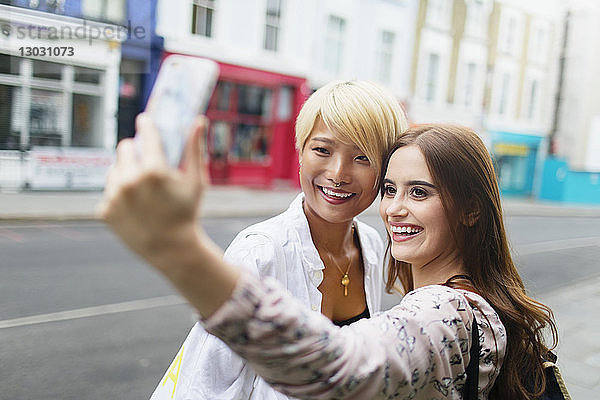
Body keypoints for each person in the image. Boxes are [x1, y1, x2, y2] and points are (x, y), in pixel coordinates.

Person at [99, 118, 558, 399]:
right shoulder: (476, 298)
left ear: (471, 208)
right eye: (391, 189)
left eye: (420, 192)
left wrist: (182, 251)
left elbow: (340, 371)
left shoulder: (446, 311)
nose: (395, 208)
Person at [147, 80, 409, 399]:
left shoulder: (370, 243)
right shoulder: (260, 251)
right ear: (300, 151)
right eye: (323, 150)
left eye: (363, 158)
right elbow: (203, 384)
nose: (338, 173)